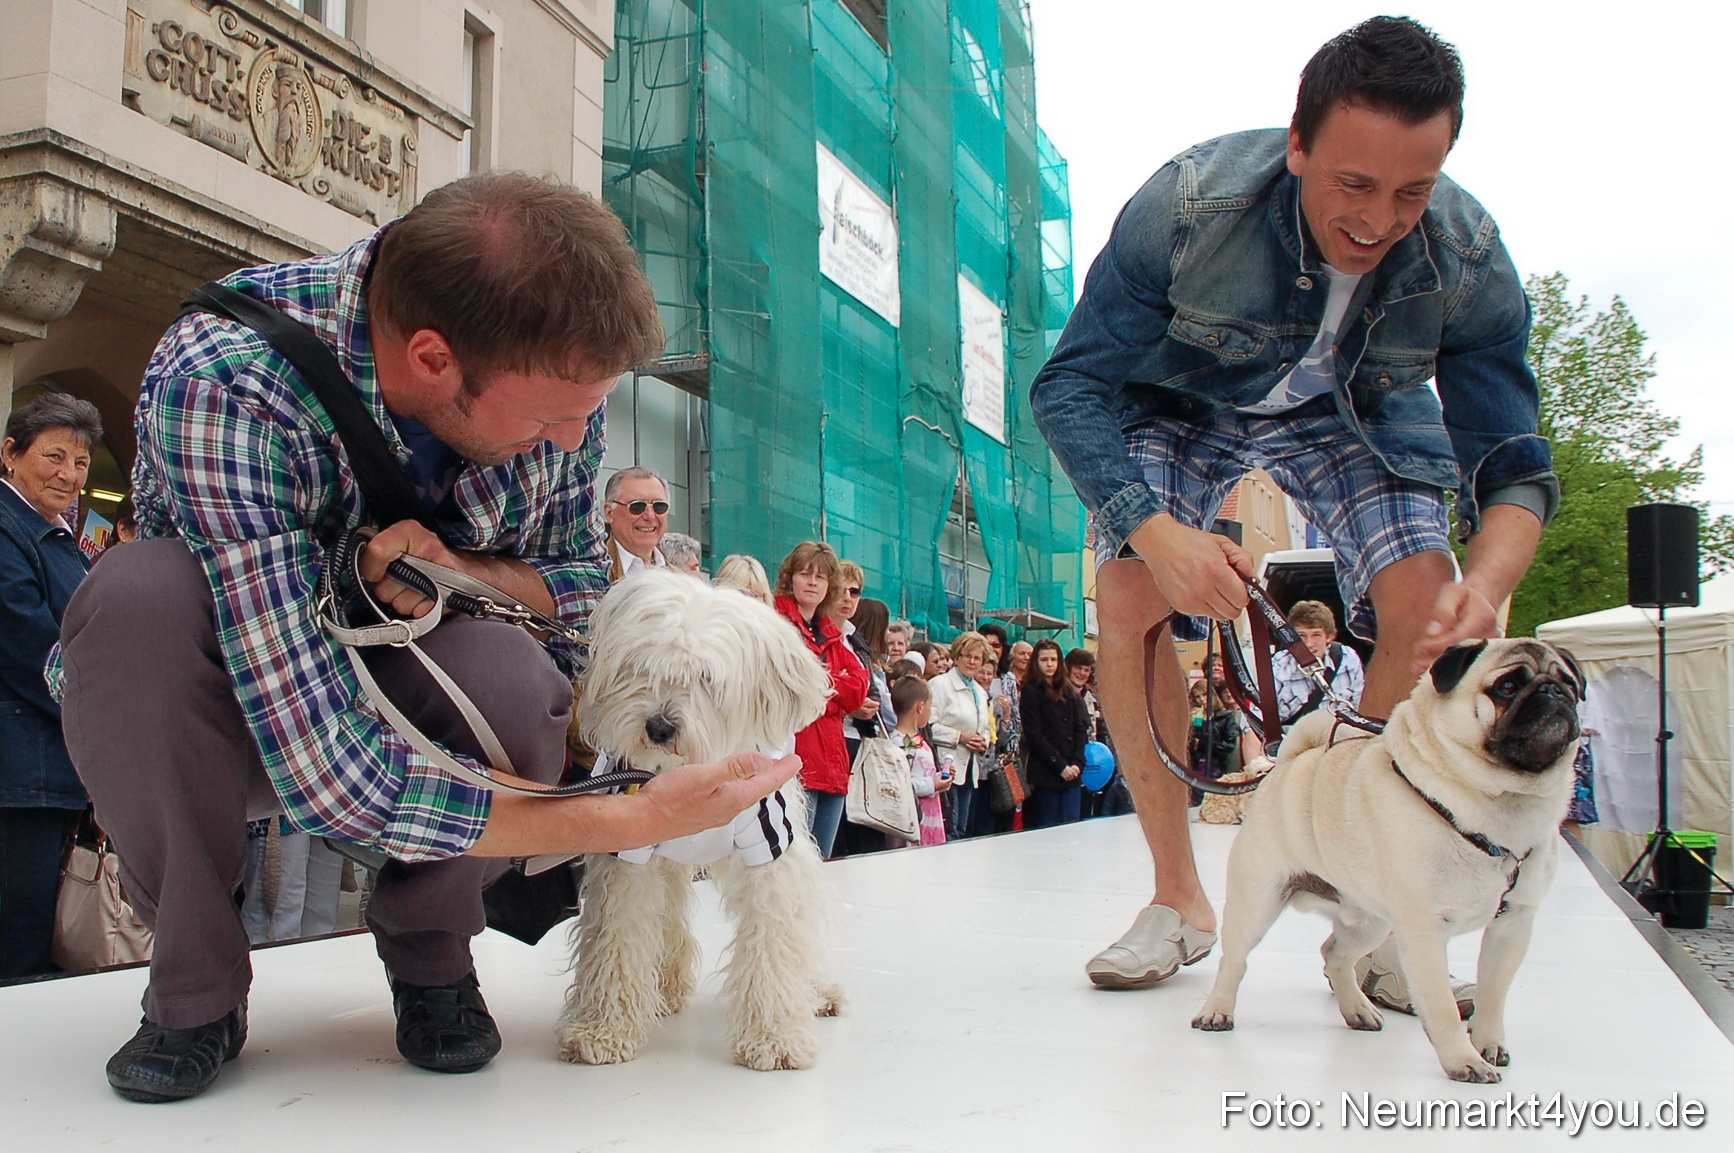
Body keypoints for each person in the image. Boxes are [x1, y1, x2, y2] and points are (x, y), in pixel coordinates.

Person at [55, 173, 798, 1102]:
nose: (577, 445)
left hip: (418, 683)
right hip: (231, 708)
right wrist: (627, 818)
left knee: (518, 676)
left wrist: (465, 575)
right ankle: (196, 978)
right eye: (546, 421)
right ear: (434, 358)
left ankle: (431, 948)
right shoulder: (224, 377)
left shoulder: (552, 371)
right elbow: (323, 762)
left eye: (588, 413)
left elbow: (569, 596)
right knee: (137, 598)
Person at [1029, 19, 1554, 996]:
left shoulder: (1467, 253)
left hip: (1359, 414)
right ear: (1298, 144)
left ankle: (1376, 918)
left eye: (1412, 190)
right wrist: (1153, 527)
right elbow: (1068, 391)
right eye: (1351, 184)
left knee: (1427, 604)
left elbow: (1513, 457)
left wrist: (1490, 579)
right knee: (1130, 594)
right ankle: (1177, 900)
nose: (1376, 220)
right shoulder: (1187, 206)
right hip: (1178, 401)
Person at [0, 393, 104, 980]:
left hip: (51, 768)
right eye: (54, 456)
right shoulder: (6, 528)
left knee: (39, 930)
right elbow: (30, 647)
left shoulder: (56, 534)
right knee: (19, 937)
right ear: (11, 454)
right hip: (20, 772)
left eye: (81, 462)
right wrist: (104, 721)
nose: (68, 475)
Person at [772, 541, 868, 859]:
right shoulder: (776, 621)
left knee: (823, 863)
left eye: (821, 577)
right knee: (795, 862)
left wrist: (819, 686)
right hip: (797, 760)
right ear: (791, 578)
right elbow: (792, 689)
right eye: (805, 573)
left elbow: (857, 690)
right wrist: (832, 692)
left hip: (833, 764)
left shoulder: (830, 630)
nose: (812, 582)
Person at [927, 632, 994, 840]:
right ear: (956, 657)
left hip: (971, 767)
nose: (972, 662)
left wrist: (983, 742)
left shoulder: (980, 692)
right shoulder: (940, 684)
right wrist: (960, 737)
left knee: (963, 828)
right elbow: (928, 726)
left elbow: (983, 726)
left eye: (977, 658)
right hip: (946, 766)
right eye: (967, 656)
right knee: (951, 829)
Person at [1020, 639, 1089, 829]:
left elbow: (1080, 729)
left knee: (1072, 824)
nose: (1049, 664)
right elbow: (1034, 734)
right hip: (1046, 773)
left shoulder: (1068, 690)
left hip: (1072, 772)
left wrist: (1076, 763)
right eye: (1044, 660)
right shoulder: (1030, 691)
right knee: (1048, 826)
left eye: (1053, 659)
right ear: (1036, 662)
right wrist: (1060, 766)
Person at [1271, 600, 1365, 728]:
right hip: (1293, 739)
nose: (1309, 644)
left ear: (1329, 637)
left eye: (1316, 635)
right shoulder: (1279, 666)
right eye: (1302, 636)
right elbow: (1257, 718)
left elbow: (1361, 707)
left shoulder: (1348, 658)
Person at [890, 675, 948, 847]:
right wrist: (932, 784)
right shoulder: (900, 743)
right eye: (930, 706)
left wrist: (940, 777)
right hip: (914, 819)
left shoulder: (917, 740)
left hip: (930, 815)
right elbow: (902, 785)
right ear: (920, 707)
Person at [603, 466, 670, 580]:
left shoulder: (682, 579)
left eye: (659, 506)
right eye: (637, 506)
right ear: (610, 513)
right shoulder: (593, 575)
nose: (650, 516)